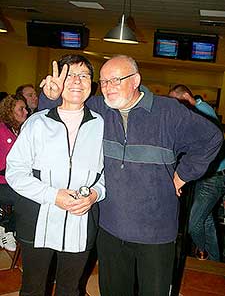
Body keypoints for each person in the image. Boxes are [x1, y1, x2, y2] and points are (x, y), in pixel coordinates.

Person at [39, 55, 223, 296]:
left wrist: (182, 176)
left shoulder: (167, 111)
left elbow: (211, 138)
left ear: (135, 80)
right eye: (103, 81)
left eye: (116, 80)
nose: (108, 87)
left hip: (156, 232)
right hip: (110, 228)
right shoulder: (98, 110)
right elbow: (52, 121)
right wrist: (49, 97)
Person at [6, 54, 105, 296]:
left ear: (92, 85)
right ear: (58, 82)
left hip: (80, 222)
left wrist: (95, 194)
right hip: (37, 219)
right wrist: (53, 196)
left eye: (84, 76)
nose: (76, 81)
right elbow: (15, 172)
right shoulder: (37, 123)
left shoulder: (101, 124)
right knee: (32, 289)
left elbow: (106, 174)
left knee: (70, 289)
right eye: (69, 75)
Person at [168, 84, 225, 261]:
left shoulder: (201, 111)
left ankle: (203, 252)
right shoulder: (201, 109)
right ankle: (215, 260)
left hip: (213, 178)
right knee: (206, 220)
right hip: (208, 176)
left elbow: (210, 142)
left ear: (186, 96)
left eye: (176, 101)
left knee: (194, 224)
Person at [0, 94, 28, 251]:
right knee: (25, 198)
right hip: (2, 183)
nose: (26, 112)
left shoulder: (22, 130)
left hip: (16, 180)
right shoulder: (1, 130)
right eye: (21, 109)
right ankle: (7, 229)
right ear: (10, 111)